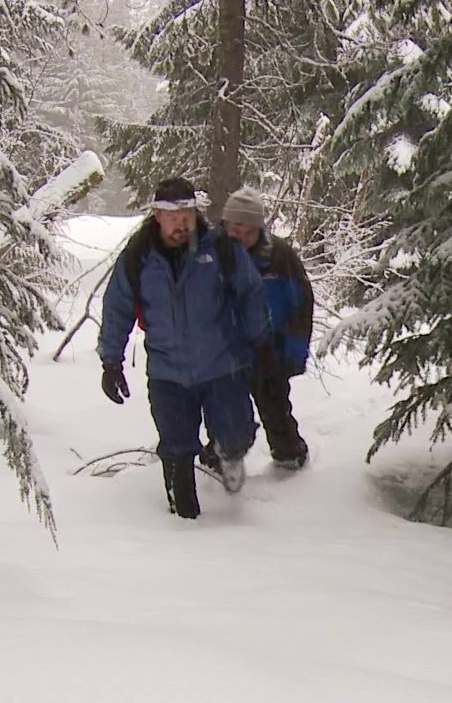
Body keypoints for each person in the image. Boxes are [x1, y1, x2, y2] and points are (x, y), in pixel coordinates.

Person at [98, 177, 271, 519]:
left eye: (188, 213)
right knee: (176, 449)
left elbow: (251, 293)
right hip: (168, 372)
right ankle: (182, 521)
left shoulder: (220, 248)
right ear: (157, 216)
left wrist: (260, 342)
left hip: (222, 365)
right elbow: (117, 307)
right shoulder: (138, 257)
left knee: (238, 434)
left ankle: (227, 454)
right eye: (173, 215)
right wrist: (111, 362)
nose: (182, 222)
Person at [214, 186, 315, 471]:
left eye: (248, 231)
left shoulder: (279, 256)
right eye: (235, 229)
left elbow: (301, 306)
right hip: (227, 351)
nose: (241, 237)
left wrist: (295, 354)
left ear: (260, 228)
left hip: (272, 350)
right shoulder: (212, 254)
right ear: (226, 224)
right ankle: (218, 462)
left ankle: (290, 457)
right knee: (226, 412)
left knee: (275, 408)